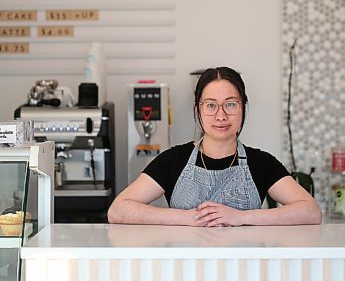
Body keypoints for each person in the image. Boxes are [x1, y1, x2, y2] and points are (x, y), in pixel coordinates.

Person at [108, 67, 322, 227]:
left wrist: (239, 217)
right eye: (210, 105)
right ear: (198, 109)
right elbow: (118, 210)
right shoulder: (174, 159)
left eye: (230, 104)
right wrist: (189, 217)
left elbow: (311, 211)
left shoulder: (261, 163)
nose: (221, 115)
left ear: (243, 108)